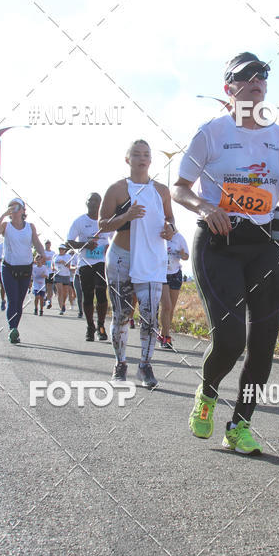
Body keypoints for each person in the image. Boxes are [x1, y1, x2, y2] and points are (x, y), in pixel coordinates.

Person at [172, 52, 279, 456]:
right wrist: (206, 207)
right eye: (246, 76)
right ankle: (208, 391)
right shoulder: (211, 133)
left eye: (262, 76)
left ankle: (240, 424)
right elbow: (179, 188)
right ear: (229, 89)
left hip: (266, 245)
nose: (256, 81)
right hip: (219, 244)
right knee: (231, 338)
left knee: (264, 344)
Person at [99, 139, 175, 388]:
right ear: (127, 159)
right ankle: (120, 363)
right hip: (122, 255)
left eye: (146, 154)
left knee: (150, 316)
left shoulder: (162, 191)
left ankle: (145, 365)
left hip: (152, 258)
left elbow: (171, 221)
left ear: (151, 160)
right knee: (122, 314)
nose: (142, 158)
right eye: (136, 154)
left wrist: (169, 230)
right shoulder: (117, 189)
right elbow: (103, 225)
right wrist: (127, 216)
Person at [0, 198, 45, 343]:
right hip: (8, 268)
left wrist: (43, 254)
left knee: (19, 301)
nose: (13, 209)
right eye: (10, 207)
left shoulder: (30, 227)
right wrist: (2, 215)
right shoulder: (5, 226)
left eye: (16, 207)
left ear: (22, 210)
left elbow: (37, 243)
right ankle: (13, 329)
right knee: (12, 299)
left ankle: (15, 326)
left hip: (26, 268)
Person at [68, 193, 111, 342]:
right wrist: (85, 245)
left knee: (101, 291)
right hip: (85, 263)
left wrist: (108, 247)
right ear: (86, 203)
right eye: (90, 201)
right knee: (88, 295)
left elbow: (114, 240)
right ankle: (89, 326)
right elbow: (69, 242)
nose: (93, 203)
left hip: (101, 262)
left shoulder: (106, 222)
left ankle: (101, 326)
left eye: (96, 201)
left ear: (101, 204)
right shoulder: (80, 221)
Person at [159, 230, 189, 349]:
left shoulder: (179, 238)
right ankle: (166, 337)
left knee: (171, 308)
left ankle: (163, 334)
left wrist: (182, 254)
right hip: (162, 273)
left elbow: (186, 256)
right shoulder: (159, 235)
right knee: (166, 306)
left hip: (176, 273)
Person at [52, 244, 74, 314]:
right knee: (60, 291)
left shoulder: (68, 256)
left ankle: (63, 303)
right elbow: (52, 265)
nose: (60, 250)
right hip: (58, 275)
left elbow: (70, 267)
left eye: (62, 249)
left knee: (65, 293)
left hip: (66, 275)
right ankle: (61, 308)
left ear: (65, 250)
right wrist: (53, 269)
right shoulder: (55, 256)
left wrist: (64, 263)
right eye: (59, 249)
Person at [43, 240, 56, 308]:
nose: (47, 244)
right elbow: (37, 260)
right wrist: (44, 260)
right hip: (44, 271)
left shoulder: (53, 253)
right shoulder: (42, 252)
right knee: (44, 287)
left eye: (48, 243)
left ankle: (49, 301)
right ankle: (44, 298)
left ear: (50, 244)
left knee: (50, 287)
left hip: (51, 272)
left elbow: (55, 262)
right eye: (46, 243)